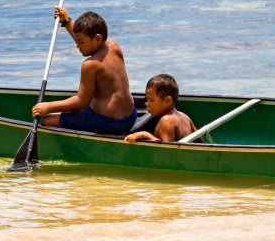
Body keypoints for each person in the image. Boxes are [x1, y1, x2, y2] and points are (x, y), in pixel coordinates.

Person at [31, 8, 137, 136]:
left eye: (80, 42)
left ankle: (74, 149)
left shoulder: (89, 65)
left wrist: (48, 106)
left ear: (97, 38)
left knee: (48, 120)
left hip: (107, 123)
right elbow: (86, 36)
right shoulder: (114, 46)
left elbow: (81, 101)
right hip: (130, 117)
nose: (77, 46)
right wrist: (66, 21)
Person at [124, 73, 198, 143]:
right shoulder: (185, 117)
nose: (147, 104)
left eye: (151, 100)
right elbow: (199, 140)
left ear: (168, 100)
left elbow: (164, 149)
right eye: (147, 100)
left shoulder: (166, 120)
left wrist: (144, 134)